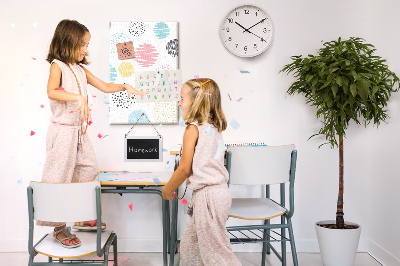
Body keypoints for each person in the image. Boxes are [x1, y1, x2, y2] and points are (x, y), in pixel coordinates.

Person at [38, 19, 146, 248]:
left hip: (79, 132)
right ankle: (59, 227)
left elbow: (105, 86)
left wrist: (125, 86)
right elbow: (51, 91)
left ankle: (79, 214)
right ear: (69, 43)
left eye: (87, 44)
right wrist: (77, 97)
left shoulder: (80, 69)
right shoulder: (57, 65)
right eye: (83, 44)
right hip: (62, 132)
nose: (86, 49)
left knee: (89, 168)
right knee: (59, 178)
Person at [162, 79, 241, 265]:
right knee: (190, 248)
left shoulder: (193, 129)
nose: (179, 103)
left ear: (197, 101)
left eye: (182, 98)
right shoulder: (212, 127)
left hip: (208, 196)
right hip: (211, 195)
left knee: (217, 255)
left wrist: (167, 190)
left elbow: (184, 169)